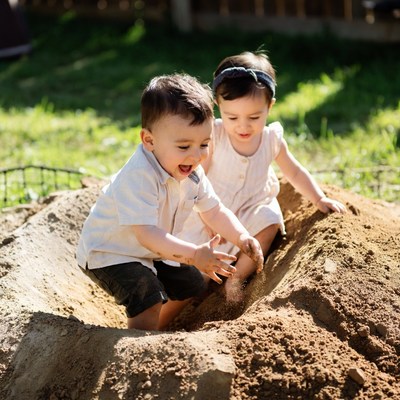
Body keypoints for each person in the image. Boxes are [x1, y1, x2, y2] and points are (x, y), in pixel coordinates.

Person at [76, 73, 264, 331]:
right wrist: (195, 254)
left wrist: (242, 238)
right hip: (110, 253)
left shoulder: (191, 172)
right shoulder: (139, 177)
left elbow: (215, 210)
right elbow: (147, 234)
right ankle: (137, 345)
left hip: (150, 250)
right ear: (149, 141)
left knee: (192, 284)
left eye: (204, 144)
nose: (196, 155)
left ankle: (159, 325)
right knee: (148, 296)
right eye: (184, 146)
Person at [178, 51, 347, 302]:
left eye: (254, 117)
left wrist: (319, 199)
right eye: (232, 117)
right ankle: (189, 296)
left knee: (269, 222)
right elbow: (196, 176)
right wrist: (205, 215)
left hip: (252, 207)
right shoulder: (214, 135)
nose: (243, 126)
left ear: (270, 106)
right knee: (196, 277)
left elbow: (294, 171)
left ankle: (236, 278)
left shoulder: (271, 139)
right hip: (212, 212)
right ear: (218, 106)